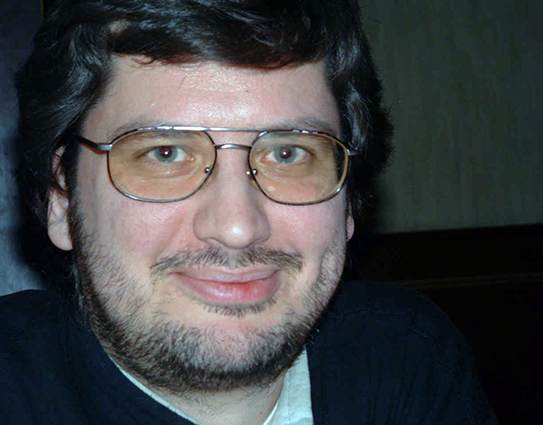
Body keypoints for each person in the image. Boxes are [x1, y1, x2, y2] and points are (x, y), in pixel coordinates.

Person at [1, 0, 497, 423]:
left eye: (288, 153)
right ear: (63, 199)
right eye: (165, 154)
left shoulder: (407, 360)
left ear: (346, 199)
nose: (238, 227)